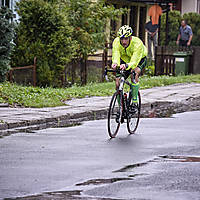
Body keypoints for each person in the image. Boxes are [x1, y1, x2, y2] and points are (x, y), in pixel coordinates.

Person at [112, 25, 147, 103]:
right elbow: (116, 54)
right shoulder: (116, 42)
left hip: (139, 59)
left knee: (134, 74)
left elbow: (134, 61)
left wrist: (127, 66)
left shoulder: (137, 43)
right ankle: (121, 107)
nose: (123, 42)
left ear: (130, 38)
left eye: (126, 39)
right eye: (122, 39)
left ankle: (134, 100)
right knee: (117, 83)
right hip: (125, 59)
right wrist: (115, 63)